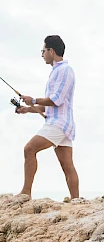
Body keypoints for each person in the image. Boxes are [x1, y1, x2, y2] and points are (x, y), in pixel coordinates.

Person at [17, 35, 79, 200]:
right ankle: (75, 201)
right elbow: (48, 105)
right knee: (67, 166)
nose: (42, 54)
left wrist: (33, 100)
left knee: (29, 149)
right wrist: (27, 109)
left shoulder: (64, 71)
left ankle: (25, 192)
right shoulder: (56, 72)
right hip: (61, 124)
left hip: (58, 124)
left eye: (43, 51)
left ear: (51, 51)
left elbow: (56, 100)